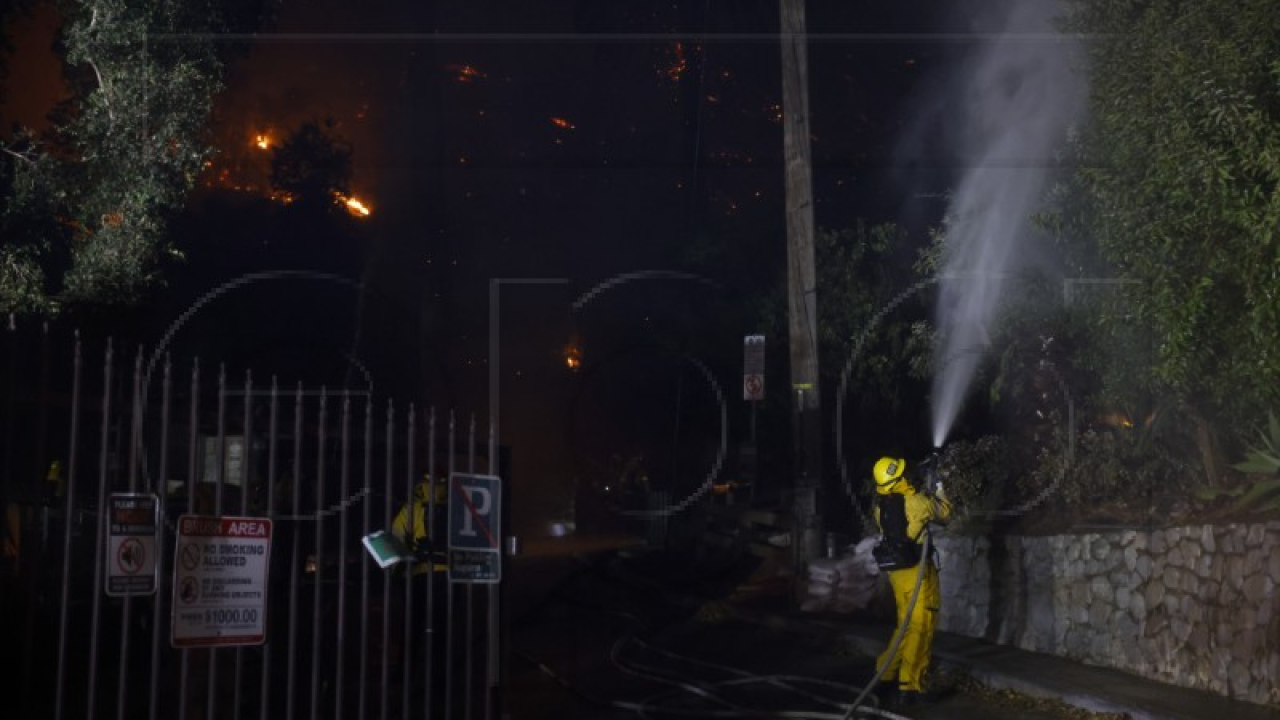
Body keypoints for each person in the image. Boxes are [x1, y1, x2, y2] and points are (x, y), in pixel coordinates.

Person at [871, 455, 952, 706]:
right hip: (918, 571)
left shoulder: (880, 507)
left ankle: (884, 675)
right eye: (903, 474)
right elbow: (945, 512)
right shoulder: (916, 501)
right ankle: (911, 686)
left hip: (897, 573)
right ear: (897, 480)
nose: (907, 477)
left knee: (904, 625)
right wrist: (938, 486)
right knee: (922, 626)